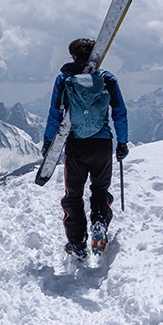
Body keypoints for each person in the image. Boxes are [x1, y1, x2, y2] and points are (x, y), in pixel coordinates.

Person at [43, 38, 129, 259]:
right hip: (102, 144)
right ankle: (99, 222)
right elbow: (120, 112)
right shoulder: (107, 79)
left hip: (76, 145)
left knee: (73, 194)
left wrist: (48, 142)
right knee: (100, 190)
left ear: (73, 56)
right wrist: (122, 142)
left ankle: (77, 244)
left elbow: (56, 113)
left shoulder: (65, 79)